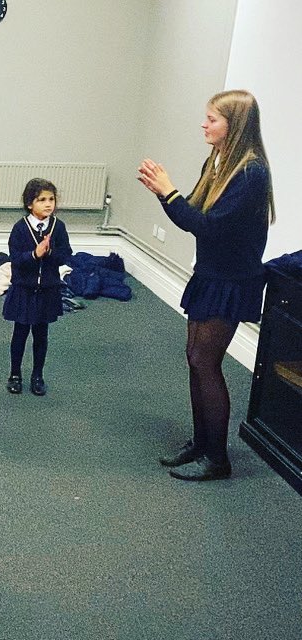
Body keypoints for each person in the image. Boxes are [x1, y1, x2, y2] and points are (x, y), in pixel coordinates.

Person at [138, 89, 275, 482]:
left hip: (233, 282)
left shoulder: (250, 173)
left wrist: (168, 191)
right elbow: (192, 217)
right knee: (195, 359)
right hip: (213, 275)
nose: (204, 124)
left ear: (234, 126)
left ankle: (217, 459)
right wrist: (165, 195)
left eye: (212, 118)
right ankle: (201, 444)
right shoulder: (219, 163)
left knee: (205, 363)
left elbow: (209, 228)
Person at [3, 179, 73, 397]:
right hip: (24, 289)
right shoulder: (20, 228)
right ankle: (15, 374)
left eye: (51, 199)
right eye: (41, 200)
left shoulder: (58, 227)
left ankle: (37, 375)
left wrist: (49, 253)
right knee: (20, 334)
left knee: (41, 335)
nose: (47, 204)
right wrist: (34, 255)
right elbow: (15, 258)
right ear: (29, 203)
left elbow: (66, 254)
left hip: (47, 290)